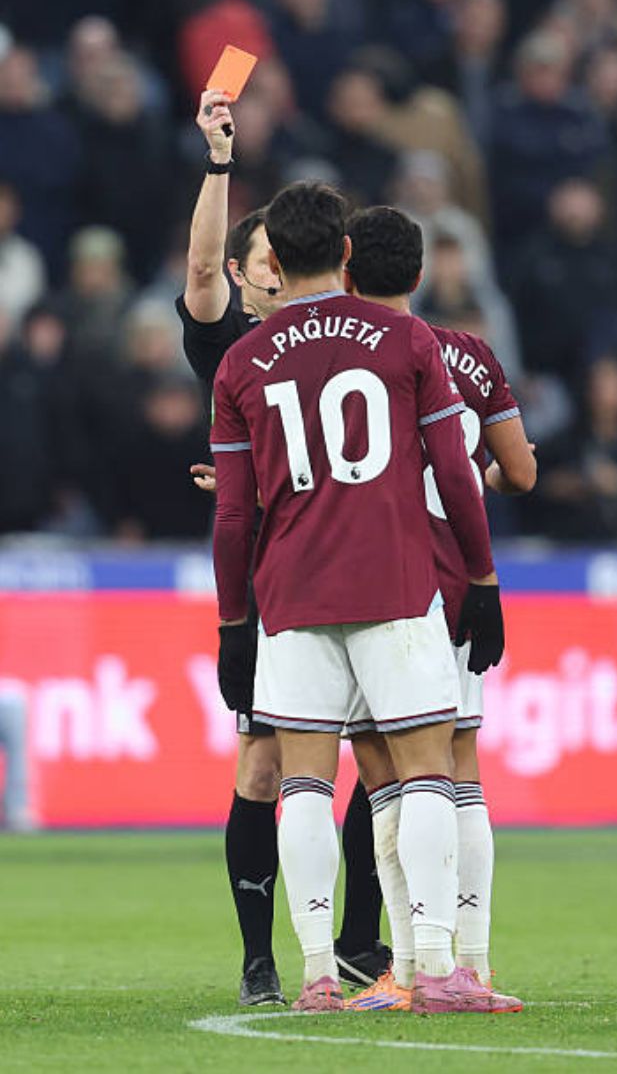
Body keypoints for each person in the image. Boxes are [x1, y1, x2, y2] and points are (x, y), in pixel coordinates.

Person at [209, 180, 513, 1014]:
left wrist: (235, 621)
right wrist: (482, 578)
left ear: (271, 260)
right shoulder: (406, 339)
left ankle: (313, 975)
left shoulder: (243, 361)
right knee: (426, 773)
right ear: (344, 253)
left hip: (292, 591)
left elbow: (235, 514)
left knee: (304, 782)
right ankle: (442, 968)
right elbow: (455, 469)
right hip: (396, 583)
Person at [179, 85, 386, 1008]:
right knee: (269, 766)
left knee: (379, 756)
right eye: (254, 260)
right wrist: (220, 162)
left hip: (360, 564)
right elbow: (195, 275)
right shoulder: (232, 349)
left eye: (275, 258)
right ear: (243, 270)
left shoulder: (352, 340)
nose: (268, 274)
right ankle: (263, 958)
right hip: (270, 585)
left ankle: (356, 942)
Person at [335, 205, 535, 1013]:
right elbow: (518, 471)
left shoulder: (334, 360)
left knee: (385, 776)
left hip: (366, 584)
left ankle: (415, 967)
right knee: (459, 771)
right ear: (421, 275)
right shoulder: (470, 355)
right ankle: (472, 963)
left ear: (347, 268)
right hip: (456, 581)